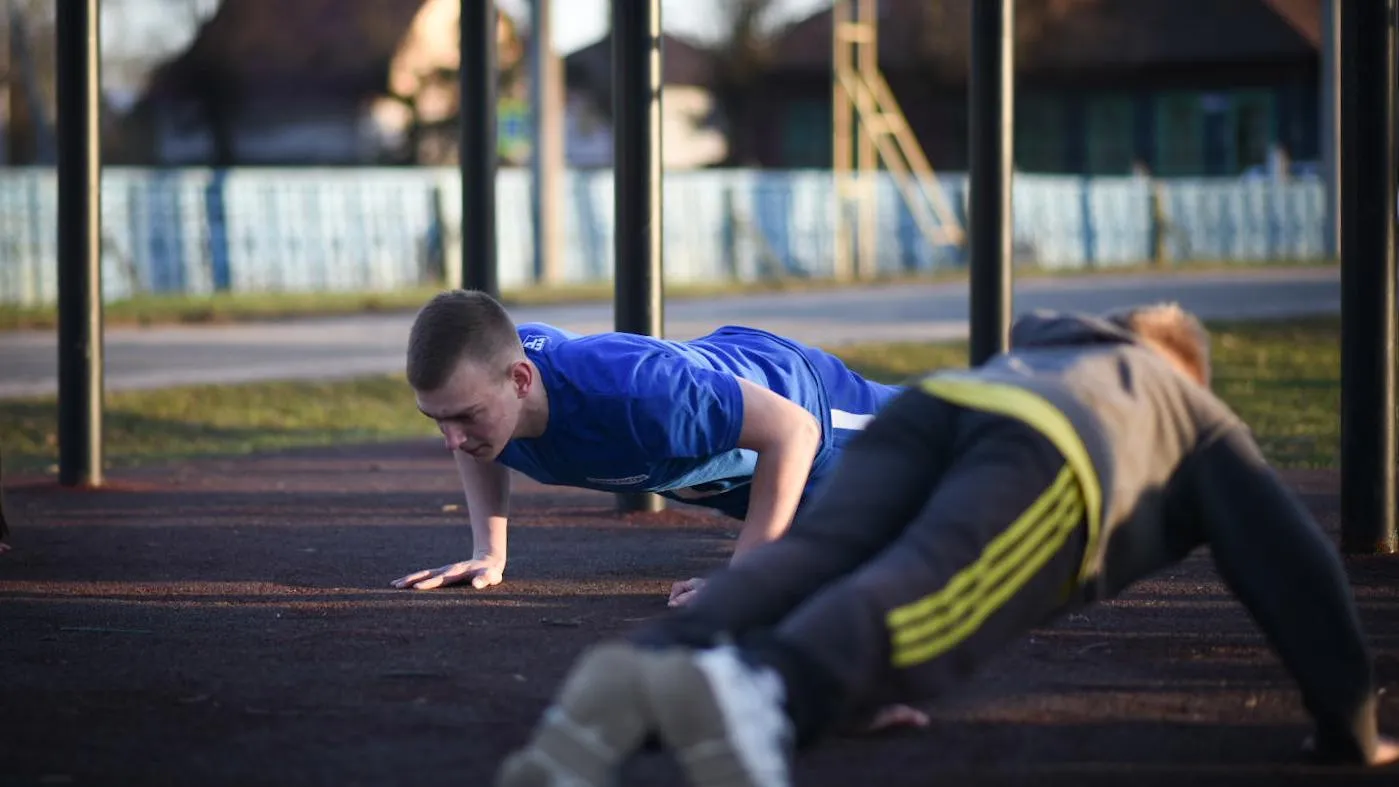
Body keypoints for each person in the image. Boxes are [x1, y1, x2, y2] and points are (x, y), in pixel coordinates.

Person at [495, 302, 1399, 787]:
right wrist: (1349, 725)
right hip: (1051, 446)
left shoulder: (1051, 345)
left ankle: (643, 672)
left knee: (817, 560)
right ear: (1184, 374)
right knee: (940, 591)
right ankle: (764, 691)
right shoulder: (1191, 415)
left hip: (942, 402)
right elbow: (1295, 569)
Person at [390, 289, 902, 607]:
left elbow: (793, 431)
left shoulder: (634, 392)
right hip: (738, 474)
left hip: (814, 412)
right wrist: (489, 551)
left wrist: (746, 580)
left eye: (465, 418)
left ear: (522, 381)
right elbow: (471, 437)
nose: (452, 440)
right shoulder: (493, 388)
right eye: (437, 419)